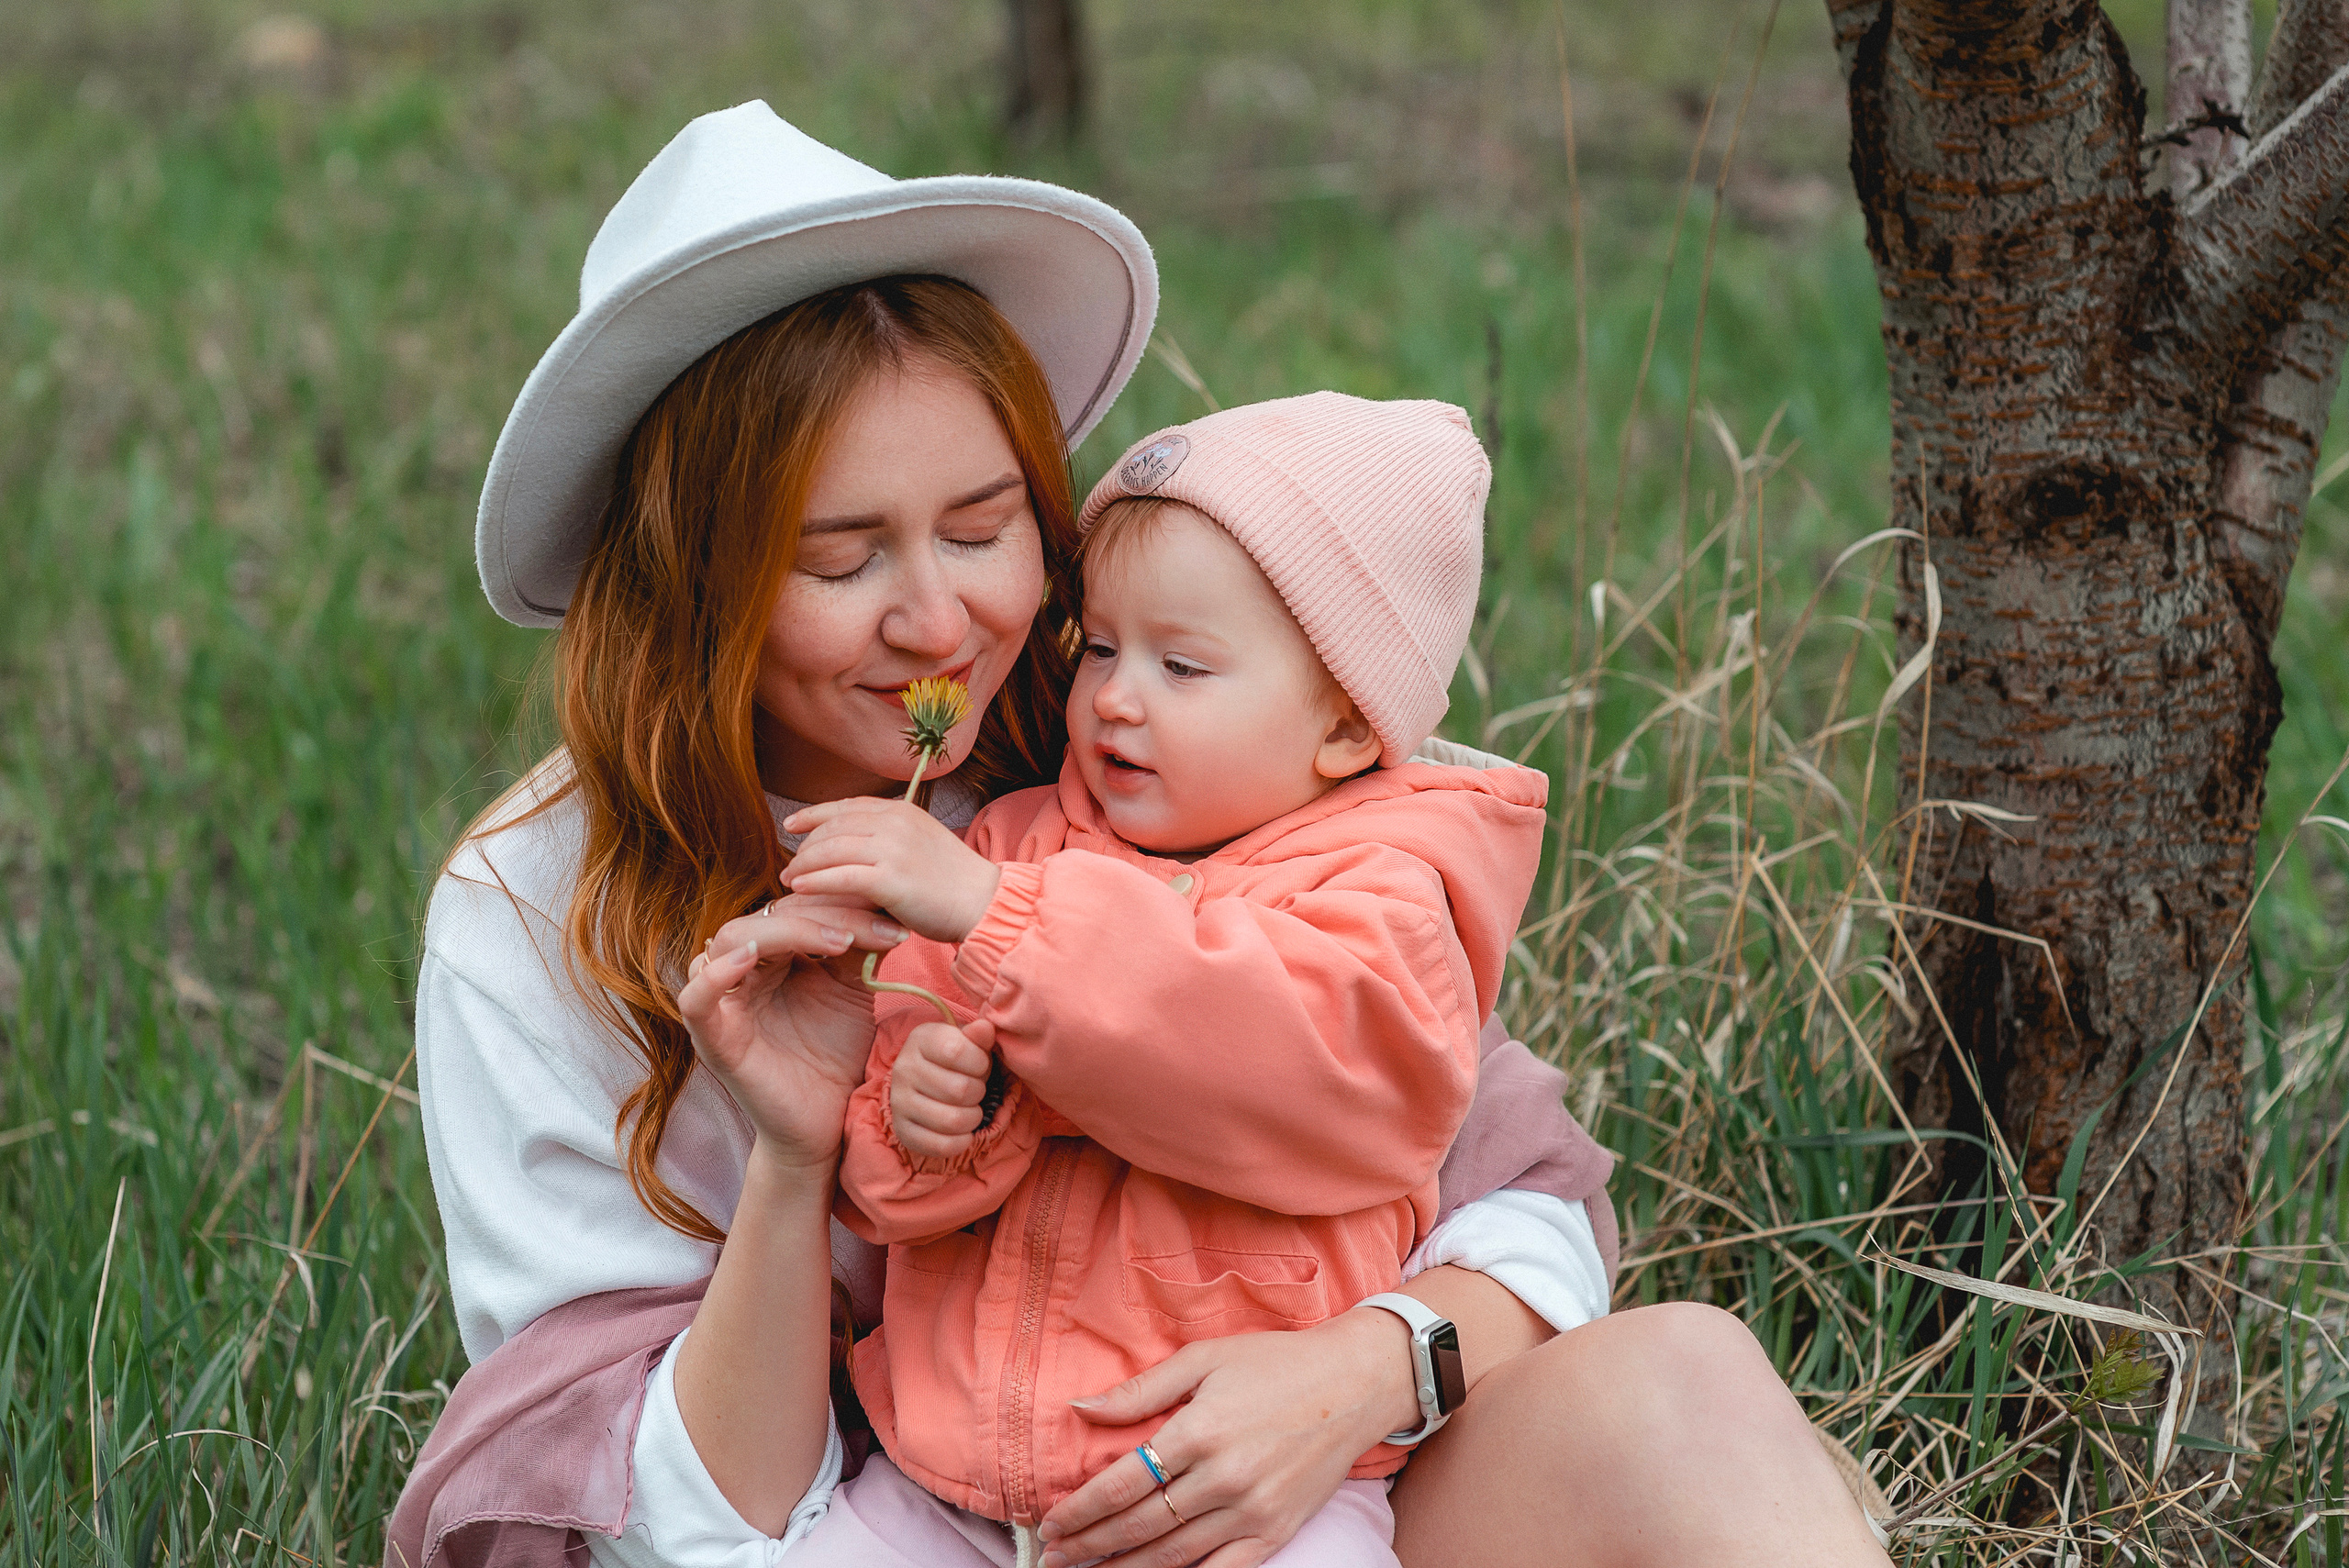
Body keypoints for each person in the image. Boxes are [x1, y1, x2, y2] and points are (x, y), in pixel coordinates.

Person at [386, 102, 1891, 1568]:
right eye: (843, 560)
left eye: (983, 531)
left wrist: (1359, 1371)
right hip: (872, 1518)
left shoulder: (1121, 735)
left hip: (1280, 1494)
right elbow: (675, 1528)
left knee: (1683, 1384)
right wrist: (794, 1163)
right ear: (691, 577)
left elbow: (1484, 1163)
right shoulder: (537, 907)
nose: (940, 622)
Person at [782, 394, 1547, 1564]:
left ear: (1345, 725)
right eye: (1097, 646)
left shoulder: (1381, 899)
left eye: (1181, 664)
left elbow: (1275, 1057)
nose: (1115, 697)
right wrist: (932, 1123)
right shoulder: (1012, 841)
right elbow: (881, 1180)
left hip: (1242, 1499)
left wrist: (1003, 923)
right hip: (945, 1481)